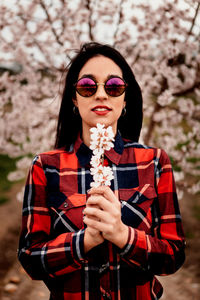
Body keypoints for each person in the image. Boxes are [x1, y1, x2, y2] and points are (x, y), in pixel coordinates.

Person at [18, 42, 185, 300]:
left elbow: (173, 255)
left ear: (125, 96)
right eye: (87, 86)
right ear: (74, 97)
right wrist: (84, 242)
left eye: (114, 86)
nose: (101, 95)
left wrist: (122, 235)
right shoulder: (46, 166)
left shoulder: (154, 162)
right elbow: (30, 258)